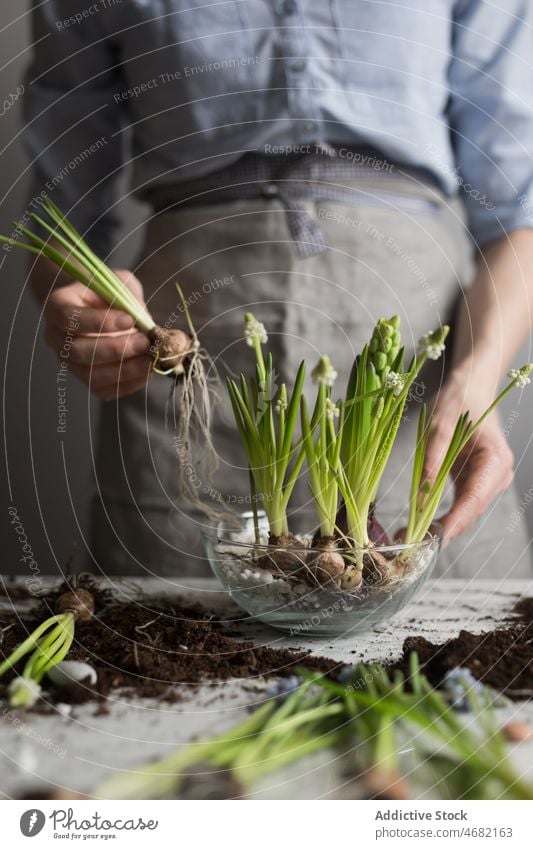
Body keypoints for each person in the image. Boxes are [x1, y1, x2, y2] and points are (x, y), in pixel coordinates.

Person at [24, 1, 533, 578]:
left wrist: (476, 377)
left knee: (439, 637)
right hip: (192, 348)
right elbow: (58, 211)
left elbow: (520, 212)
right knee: (174, 638)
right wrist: (71, 301)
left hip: (416, 354)